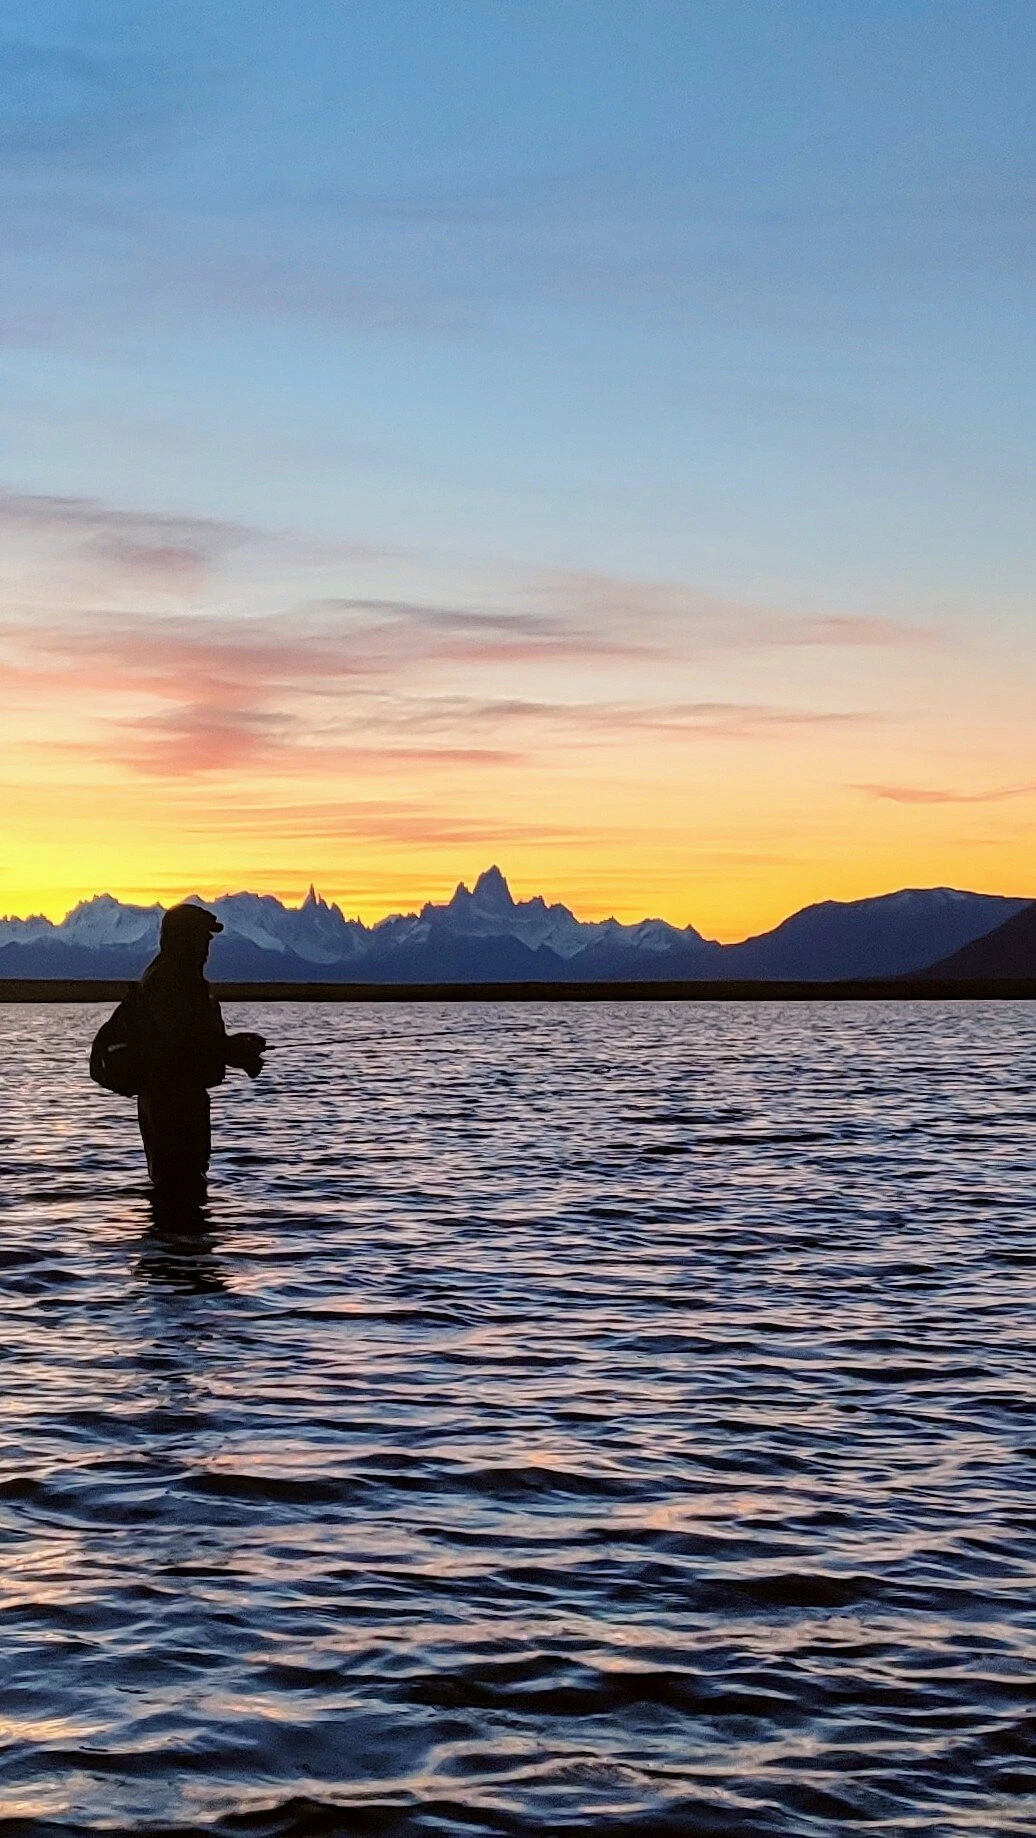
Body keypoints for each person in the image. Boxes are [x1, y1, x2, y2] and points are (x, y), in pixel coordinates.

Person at [135, 903, 265, 1195]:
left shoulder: (175, 977)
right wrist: (234, 1052)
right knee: (180, 1189)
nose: (208, 946)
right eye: (203, 937)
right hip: (173, 1107)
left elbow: (194, 1040)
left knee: (180, 1192)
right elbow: (182, 1045)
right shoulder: (172, 981)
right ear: (184, 938)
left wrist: (234, 1047)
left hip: (177, 1104)